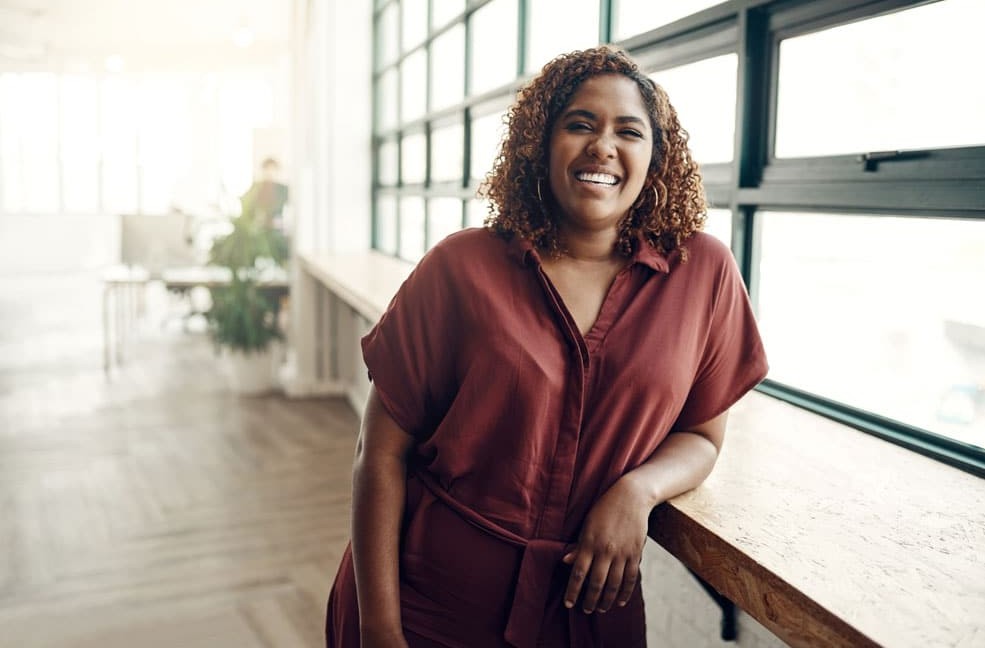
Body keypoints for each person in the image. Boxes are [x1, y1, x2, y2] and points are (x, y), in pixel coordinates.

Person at [325, 45, 768, 648]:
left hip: (586, 616)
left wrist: (638, 490)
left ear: (655, 157)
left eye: (628, 131)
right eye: (579, 124)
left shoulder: (703, 272)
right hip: (428, 605)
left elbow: (703, 436)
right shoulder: (460, 266)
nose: (602, 147)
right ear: (542, 143)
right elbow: (378, 454)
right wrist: (379, 629)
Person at [240, 156, 289, 231]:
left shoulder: (283, 189)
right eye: (267, 169)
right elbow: (245, 203)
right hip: (258, 228)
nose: (270, 173)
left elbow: (288, 209)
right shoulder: (256, 187)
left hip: (276, 229)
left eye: (273, 170)